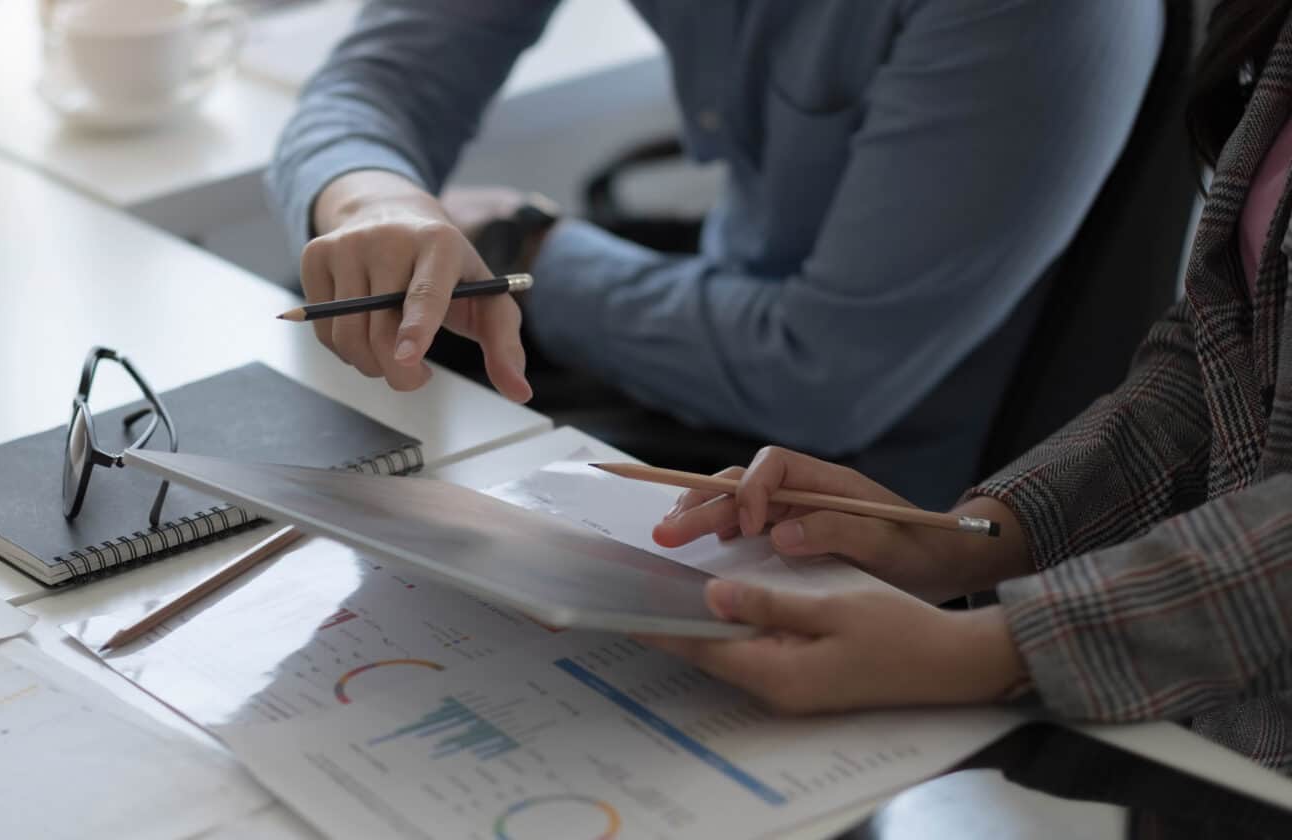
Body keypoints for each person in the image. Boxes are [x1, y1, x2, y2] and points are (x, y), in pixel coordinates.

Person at [642, 3, 1292, 773]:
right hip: (1212, 746)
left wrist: (999, 650)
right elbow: (1223, 354)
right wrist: (965, 540)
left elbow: (821, 367)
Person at [267, 1, 1163, 509]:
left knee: (417, 518)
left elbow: (823, 377)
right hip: (728, 319)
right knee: (338, 362)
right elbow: (374, 81)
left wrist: (525, 243)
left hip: (875, 461)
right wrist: (375, 201)